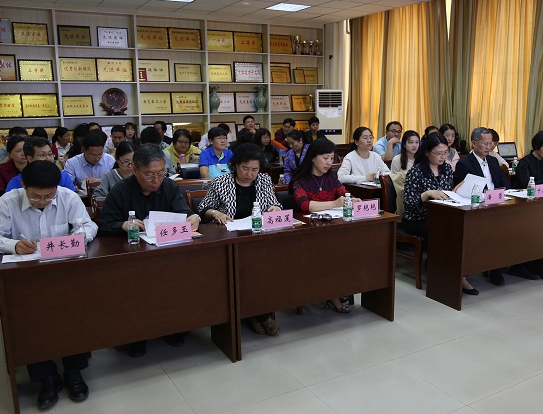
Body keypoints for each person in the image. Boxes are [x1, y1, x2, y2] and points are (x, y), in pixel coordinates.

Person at [0, 160, 97, 410]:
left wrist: (78, 237)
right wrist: (13, 245)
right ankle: (46, 377)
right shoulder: (8, 202)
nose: (42, 201)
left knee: (77, 312)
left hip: (64, 273)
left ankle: (74, 371)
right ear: (23, 185)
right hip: (26, 277)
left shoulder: (67, 197)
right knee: (29, 320)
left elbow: (88, 225)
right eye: (35, 196)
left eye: (48, 196)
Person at [98, 144, 200, 356]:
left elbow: (184, 212)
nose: (156, 180)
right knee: (135, 288)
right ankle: (136, 335)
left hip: (166, 254)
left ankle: (171, 327)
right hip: (132, 258)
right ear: (135, 170)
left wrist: (192, 217)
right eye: (150, 175)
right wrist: (123, 225)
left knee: (177, 281)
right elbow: (104, 226)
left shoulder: (169, 187)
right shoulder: (120, 191)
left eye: (161, 173)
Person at [197, 143, 283, 335]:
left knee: (265, 267)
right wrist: (216, 213)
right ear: (235, 165)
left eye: (255, 169)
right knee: (246, 269)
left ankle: (253, 314)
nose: (250, 174)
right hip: (230, 241)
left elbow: (274, 203)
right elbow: (203, 208)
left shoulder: (264, 180)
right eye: (245, 168)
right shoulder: (221, 182)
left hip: (259, 239)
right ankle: (260, 316)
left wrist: (275, 208)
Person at [290, 138, 359, 313]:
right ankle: (333, 294)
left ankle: (340, 288)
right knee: (331, 253)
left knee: (351, 249)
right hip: (308, 232)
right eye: (325, 158)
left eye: (331, 158)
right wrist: (335, 203)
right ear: (313, 157)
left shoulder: (331, 177)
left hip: (332, 228)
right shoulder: (300, 180)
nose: (329, 162)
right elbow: (305, 205)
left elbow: (343, 193)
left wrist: (352, 199)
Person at [402, 133, 476, 294]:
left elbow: (446, 194)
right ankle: (446, 274)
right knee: (447, 232)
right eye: (439, 153)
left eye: (445, 153)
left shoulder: (447, 169)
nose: (443, 157)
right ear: (427, 152)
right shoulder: (416, 171)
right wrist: (427, 194)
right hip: (417, 219)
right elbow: (408, 203)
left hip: (441, 216)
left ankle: (458, 271)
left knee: (465, 228)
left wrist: (456, 192)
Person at [455, 127, 520, 287]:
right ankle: (493, 268)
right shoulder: (464, 163)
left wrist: (506, 193)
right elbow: (466, 191)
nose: (489, 147)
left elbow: (503, 182)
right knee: (495, 228)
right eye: (485, 143)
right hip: (478, 208)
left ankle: (513, 263)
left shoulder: (492, 161)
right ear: (474, 143)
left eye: (491, 144)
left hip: (498, 203)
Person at [5, 137, 75, 193]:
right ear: (29, 158)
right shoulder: (16, 182)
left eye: (50, 154)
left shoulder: (63, 177)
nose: (48, 159)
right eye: (42, 155)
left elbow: (72, 201)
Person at [0, 135, 27, 202]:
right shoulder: (3, 168)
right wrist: (7, 196)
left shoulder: (35, 166)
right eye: (18, 151)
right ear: (9, 154)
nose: (23, 154)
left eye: (25, 150)